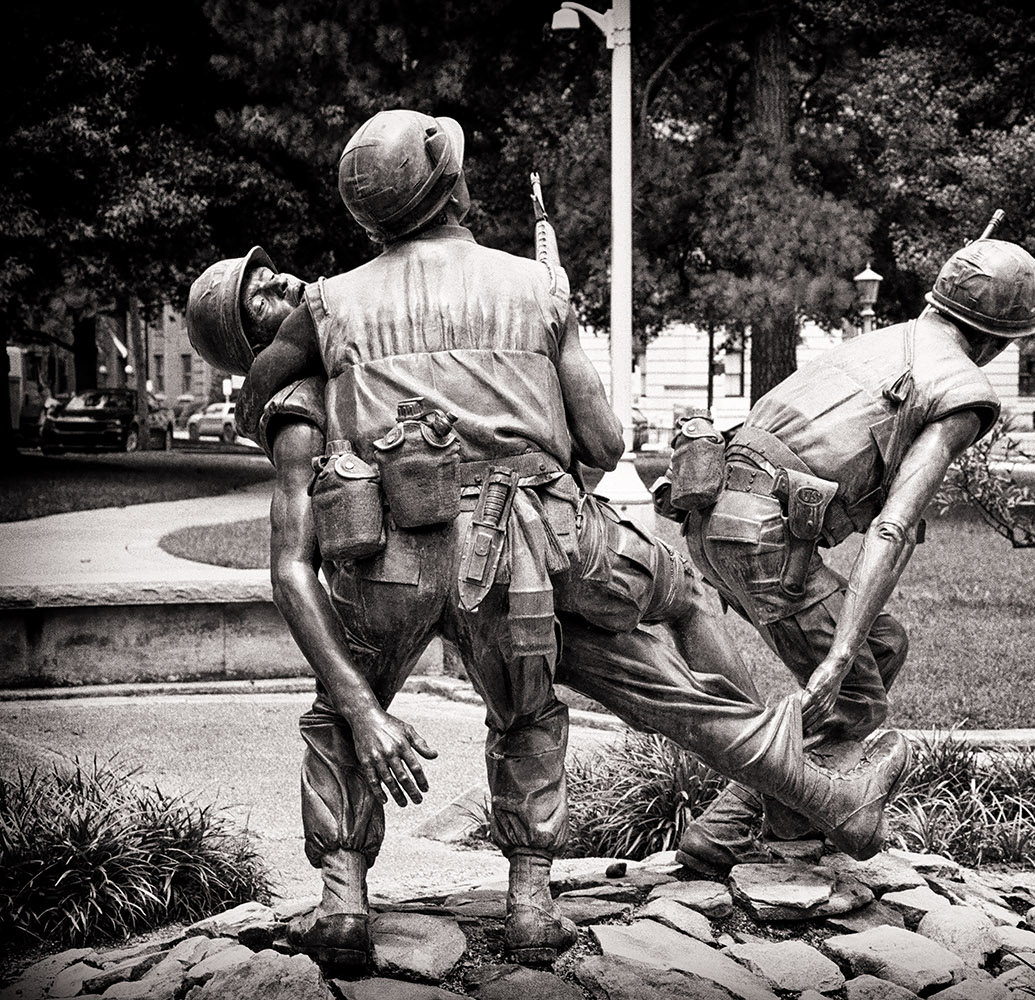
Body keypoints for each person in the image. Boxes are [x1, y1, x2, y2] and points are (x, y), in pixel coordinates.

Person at [193, 109, 910, 970]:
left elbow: (266, 386)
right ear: (453, 188)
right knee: (570, 683)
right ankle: (535, 902)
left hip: (388, 554)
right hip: (534, 544)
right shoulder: (535, 289)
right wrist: (553, 340)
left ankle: (343, 906)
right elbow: (605, 447)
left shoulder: (328, 305)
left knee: (346, 710)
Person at [670, 237, 1035, 871]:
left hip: (714, 517)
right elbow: (894, 526)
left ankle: (772, 814)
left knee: (883, 643)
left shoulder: (880, 342)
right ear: (1000, 339)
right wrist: (839, 652)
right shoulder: (962, 387)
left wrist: (853, 645)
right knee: (856, 690)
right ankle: (748, 828)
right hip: (765, 538)